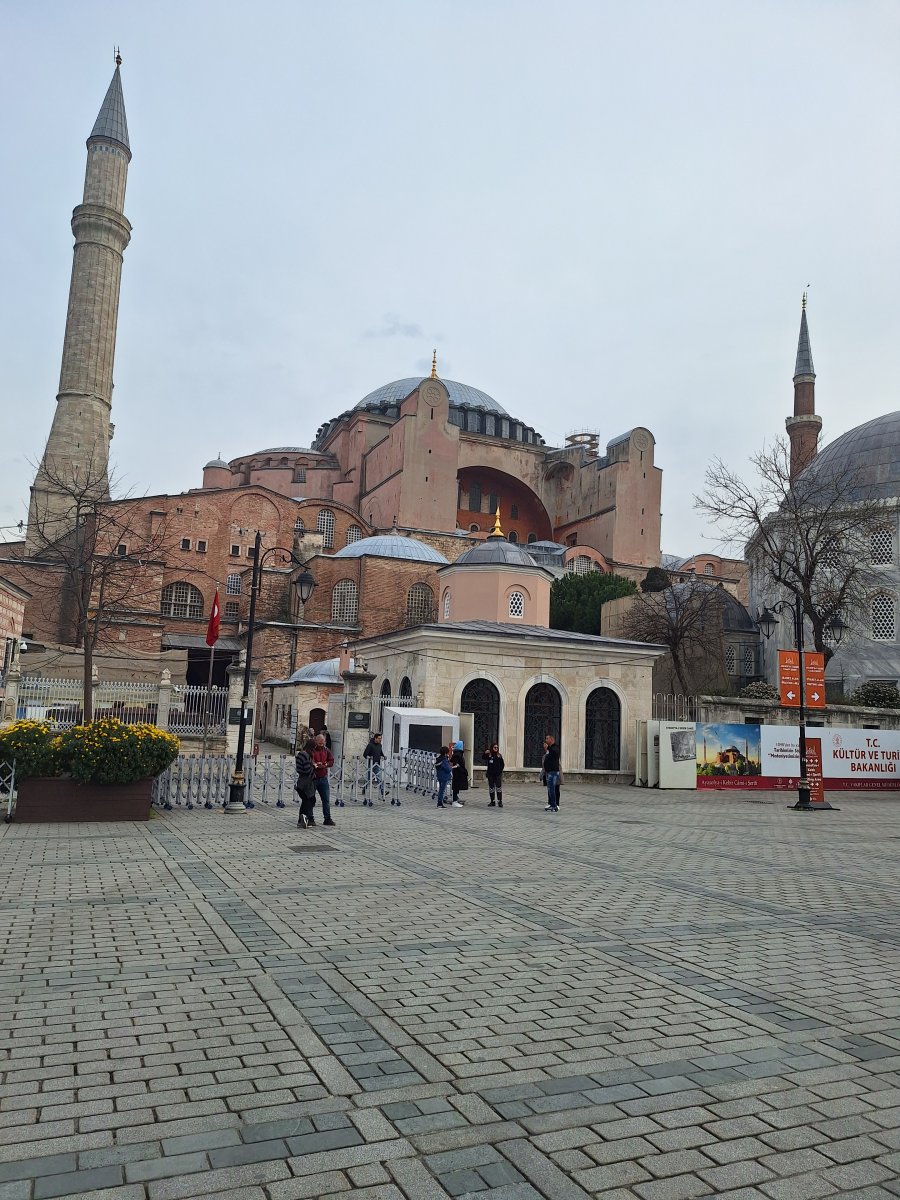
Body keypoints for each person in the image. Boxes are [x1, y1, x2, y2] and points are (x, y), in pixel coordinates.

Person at [311, 733, 335, 826]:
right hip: (313, 778)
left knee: (326, 799)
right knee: (311, 799)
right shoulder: (312, 750)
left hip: (323, 777)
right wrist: (315, 764)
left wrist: (326, 764)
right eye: (319, 743)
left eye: (322, 743)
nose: (321, 745)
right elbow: (310, 760)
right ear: (316, 741)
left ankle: (327, 818)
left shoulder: (326, 750)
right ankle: (310, 818)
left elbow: (331, 760)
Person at [295, 740, 318, 828]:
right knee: (308, 801)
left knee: (307, 801)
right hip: (305, 783)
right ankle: (303, 820)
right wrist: (314, 767)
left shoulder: (301, 754)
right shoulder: (304, 755)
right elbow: (307, 769)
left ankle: (302, 820)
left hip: (302, 781)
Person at [361, 732, 385, 805]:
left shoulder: (380, 745)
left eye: (381, 738)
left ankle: (382, 791)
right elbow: (365, 754)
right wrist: (368, 757)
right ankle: (364, 789)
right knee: (368, 778)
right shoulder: (370, 745)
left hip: (377, 764)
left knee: (379, 778)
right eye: (379, 738)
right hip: (370, 765)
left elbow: (380, 753)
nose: (380, 740)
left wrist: (383, 756)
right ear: (375, 738)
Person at [482, 743, 504, 807]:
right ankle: (492, 801)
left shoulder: (499, 755)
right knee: (491, 788)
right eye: (495, 747)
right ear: (492, 748)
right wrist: (485, 753)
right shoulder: (489, 755)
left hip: (497, 775)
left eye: (497, 747)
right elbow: (483, 757)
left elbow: (502, 764)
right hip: (490, 774)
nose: (496, 749)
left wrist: (500, 771)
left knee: (498, 788)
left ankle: (500, 801)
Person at [542, 735, 560, 812]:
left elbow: (554, 753)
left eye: (547, 739)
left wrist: (548, 748)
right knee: (550, 789)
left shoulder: (555, 748)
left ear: (551, 740)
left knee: (552, 789)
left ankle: (554, 805)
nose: (545, 740)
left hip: (553, 772)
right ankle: (552, 804)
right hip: (549, 772)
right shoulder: (550, 749)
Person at [450, 740, 468, 807]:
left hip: (459, 772)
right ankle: (454, 801)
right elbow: (456, 764)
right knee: (456, 786)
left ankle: (456, 798)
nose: (464, 747)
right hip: (458, 773)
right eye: (463, 745)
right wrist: (462, 770)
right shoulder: (457, 755)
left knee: (457, 786)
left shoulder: (459, 753)